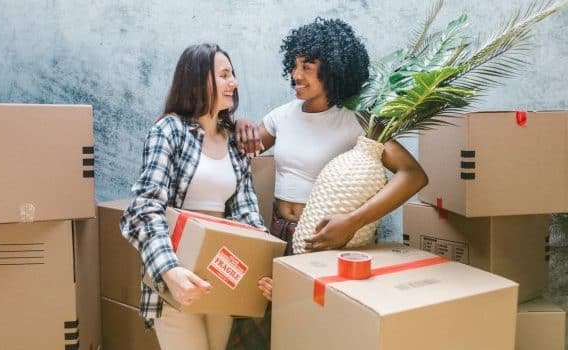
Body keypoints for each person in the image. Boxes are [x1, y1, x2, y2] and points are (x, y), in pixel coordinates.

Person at [228, 18, 429, 349]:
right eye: (294, 64)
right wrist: (242, 124)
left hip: (327, 240)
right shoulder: (283, 115)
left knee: (313, 333)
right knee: (257, 331)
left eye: (307, 66)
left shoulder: (355, 120)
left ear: (335, 68)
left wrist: (352, 222)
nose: (296, 74)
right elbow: (238, 150)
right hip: (278, 234)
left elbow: (413, 175)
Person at [119, 43, 266, 350]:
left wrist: (265, 268)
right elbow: (145, 208)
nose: (234, 82)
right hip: (176, 269)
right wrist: (169, 271)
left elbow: (248, 214)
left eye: (233, 74)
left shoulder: (234, 142)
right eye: (224, 74)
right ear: (198, 81)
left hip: (221, 272)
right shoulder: (169, 131)